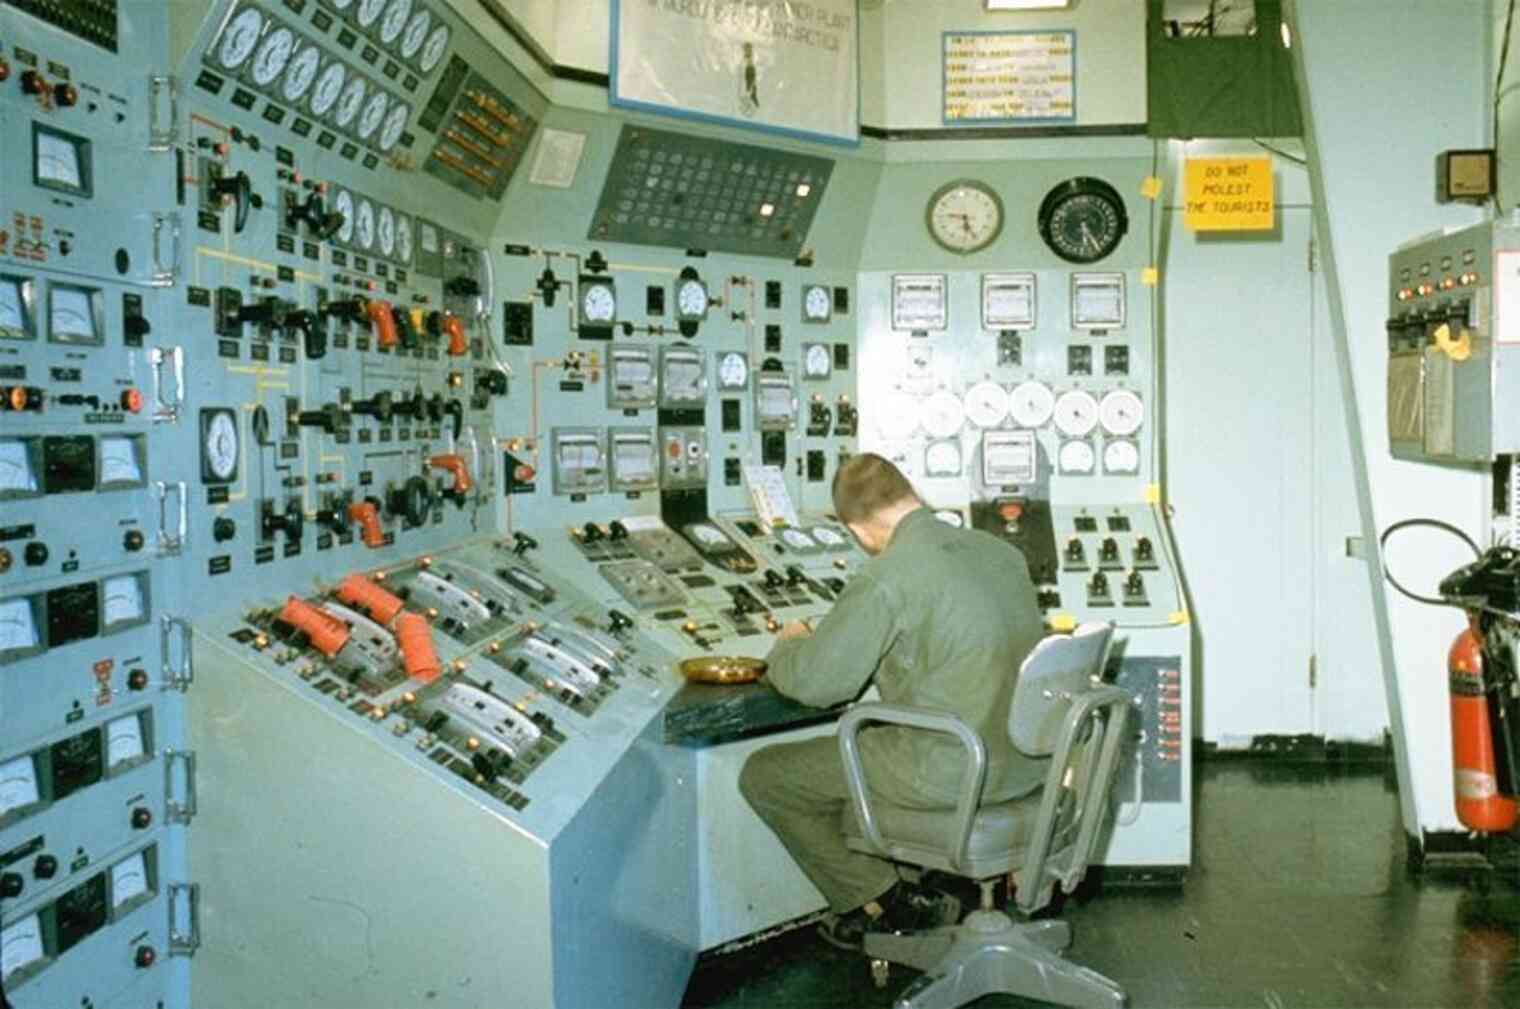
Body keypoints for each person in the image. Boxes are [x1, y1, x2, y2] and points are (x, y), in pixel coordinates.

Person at [738, 453, 1048, 950]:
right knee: (872, 742)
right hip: (1025, 763)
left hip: (951, 768)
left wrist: (788, 646)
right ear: (911, 494)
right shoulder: (999, 554)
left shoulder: (887, 576)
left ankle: (882, 900)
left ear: (858, 531)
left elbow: (820, 686)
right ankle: (916, 890)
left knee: (767, 775)